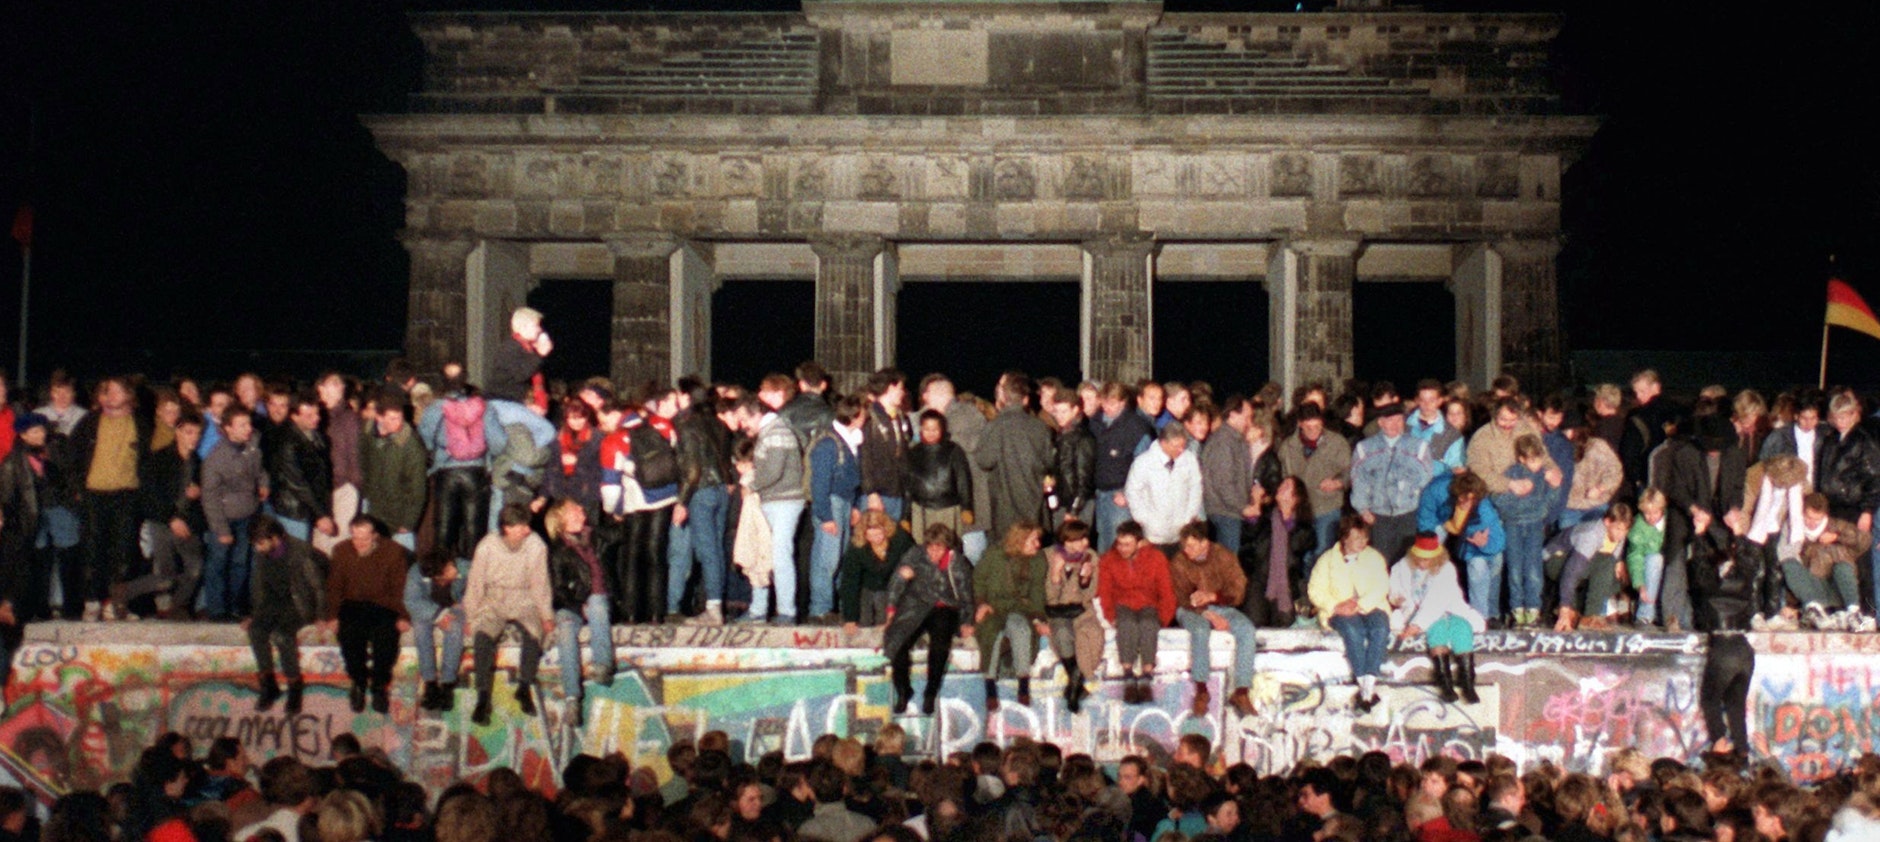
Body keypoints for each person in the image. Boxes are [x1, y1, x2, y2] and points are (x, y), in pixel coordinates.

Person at [465, 503, 554, 725]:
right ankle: (483, 696)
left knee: (534, 634)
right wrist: (470, 615)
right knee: (483, 636)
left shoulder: (535, 545)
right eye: (521, 526)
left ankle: (524, 687)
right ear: (507, 528)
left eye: (526, 525)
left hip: (523, 597)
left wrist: (546, 616)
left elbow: (540, 583)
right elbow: (475, 582)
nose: (526, 530)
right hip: (494, 598)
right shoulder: (487, 546)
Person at [72, 377, 151, 621]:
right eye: (107, 391)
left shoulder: (140, 423)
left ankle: (117, 603)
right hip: (94, 494)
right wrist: (76, 490)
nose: (112, 395)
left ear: (129, 395)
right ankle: (92, 601)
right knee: (93, 549)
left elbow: (149, 461)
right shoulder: (90, 421)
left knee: (125, 550)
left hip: (127, 494)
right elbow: (72, 457)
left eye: (117, 391)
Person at [321, 515, 410, 714]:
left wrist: (404, 615)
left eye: (364, 538)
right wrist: (332, 615)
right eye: (355, 537)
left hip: (384, 604)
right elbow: (334, 587)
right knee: (349, 637)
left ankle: (379, 686)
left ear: (375, 536)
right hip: (353, 604)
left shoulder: (393, 552)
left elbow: (401, 588)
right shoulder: (341, 550)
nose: (359, 543)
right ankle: (358, 682)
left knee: (386, 640)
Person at [882, 523, 974, 716]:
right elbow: (896, 582)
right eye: (930, 546)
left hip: (944, 607)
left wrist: (967, 620)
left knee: (940, 645)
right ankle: (903, 690)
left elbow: (966, 595)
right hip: (916, 604)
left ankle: (931, 692)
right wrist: (891, 609)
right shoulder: (915, 555)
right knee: (897, 641)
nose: (933, 551)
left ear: (947, 547)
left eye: (938, 547)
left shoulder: (958, 563)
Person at [1170, 521, 1259, 717]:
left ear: (1205, 543)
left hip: (1221, 606)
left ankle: (1242, 690)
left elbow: (1238, 588)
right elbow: (1179, 596)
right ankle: (1202, 689)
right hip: (1190, 609)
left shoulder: (1223, 556)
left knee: (1247, 630)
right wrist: (1206, 613)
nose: (1187, 550)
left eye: (1192, 546)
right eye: (1185, 545)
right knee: (1200, 630)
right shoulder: (1179, 561)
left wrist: (1213, 598)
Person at [126, 409, 205, 618]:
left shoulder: (198, 463)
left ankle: (177, 607)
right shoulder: (159, 460)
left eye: (197, 433)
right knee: (166, 577)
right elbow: (150, 496)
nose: (194, 438)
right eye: (189, 432)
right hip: (162, 522)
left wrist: (198, 496)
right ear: (177, 432)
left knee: (195, 569)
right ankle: (125, 592)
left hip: (187, 523)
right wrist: (171, 518)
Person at [1309, 515, 1392, 713]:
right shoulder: (1328, 559)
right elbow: (1315, 590)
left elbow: (1382, 585)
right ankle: (1365, 688)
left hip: (1371, 607)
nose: (1361, 543)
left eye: (1364, 538)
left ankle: (1368, 684)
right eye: (1356, 538)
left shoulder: (1374, 557)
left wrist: (1361, 604)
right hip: (1340, 609)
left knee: (1380, 627)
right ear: (1345, 538)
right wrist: (1336, 606)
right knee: (1353, 630)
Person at [1389, 534, 1484, 704]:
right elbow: (1393, 591)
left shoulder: (1446, 568)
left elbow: (1436, 600)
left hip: (1448, 608)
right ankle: (1446, 685)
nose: (1424, 563)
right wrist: (1398, 598)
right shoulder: (1401, 568)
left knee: (1462, 629)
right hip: (1418, 612)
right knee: (1437, 629)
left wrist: (1417, 625)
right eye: (1421, 559)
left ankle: (1468, 685)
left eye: (1428, 559)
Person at [420, 377, 506, 562]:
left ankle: (442, 577)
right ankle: (471, 580)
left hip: (445, 473)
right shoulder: (485, 407)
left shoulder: (435, 407)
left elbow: (425, 436)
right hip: (476, 473)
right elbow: (499, 443)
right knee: (474, 533)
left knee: (443, 531)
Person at [245, 516, 322, 716]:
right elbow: (259, 587)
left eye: (261, 543)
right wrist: (255, 614)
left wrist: (322, 615)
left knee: (282, 636)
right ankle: (268, 684)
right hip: (273, 602)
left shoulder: (301, 553)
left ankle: (294, 685)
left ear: (275, 538)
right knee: (256, 631)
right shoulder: (262, 555)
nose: (257, 548)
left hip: (298, 603)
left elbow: (318, 587)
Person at [548, 498, 614, 728]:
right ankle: (571, 697)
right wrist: (579, 604)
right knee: (565, 630)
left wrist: (616, 517)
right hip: (572, 605)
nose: (581, 510)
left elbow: (619, 536)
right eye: (574, 509)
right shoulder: (557, 551)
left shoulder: (595, 537)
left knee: (596, 603)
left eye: (580, 507)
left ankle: (603, 665)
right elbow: (557, 590)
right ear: (562, 518)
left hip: (599, 601)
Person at [670, 382, 733, 623]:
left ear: (687, 397)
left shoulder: (688, 426)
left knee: (707, 551)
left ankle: (713, 608)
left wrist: (682, 501)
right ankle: (716, 602)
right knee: (716, 549)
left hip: (701, 492)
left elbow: (693, 469)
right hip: (720, 490)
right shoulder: (719, 424)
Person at [201, 406, 268, 621]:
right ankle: (217, 609)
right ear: (228, 428)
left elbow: (260, 470)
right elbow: (210, 497)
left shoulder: (251, 446)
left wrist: (263, 483)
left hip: (247, 514)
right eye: (242, 425)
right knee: (218, 564)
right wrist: (221, 529)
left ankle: (236, 606)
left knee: (241, 563)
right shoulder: (216, 459)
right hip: (225, 516)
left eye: (249, 424)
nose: (248, 429)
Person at [971, 521, 1047, 711]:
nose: (1037, 544)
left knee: (1020, 629)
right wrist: (981, 604)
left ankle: (1023, 682)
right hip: (993, 606)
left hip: (1019, 608)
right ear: (1020, 541)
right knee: (991, 633)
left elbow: (1037, 593)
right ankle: (989, 685)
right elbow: (978, 580)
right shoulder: (993, 556)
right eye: (1033, 540)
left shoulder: (1038, 560)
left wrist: (1038, 618)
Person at [744, 389, 805, 624]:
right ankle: (759, 609)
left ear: (755, 414)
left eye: (744, 419)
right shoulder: (770, 431)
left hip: (784, 501)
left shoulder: (776, 431)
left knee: (780, 555)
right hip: (775, 500)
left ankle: (786, 611)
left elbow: (773, 470)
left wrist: (752, 483)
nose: (742, 426)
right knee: (765, 553)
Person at [1097, 521, 1175, 704]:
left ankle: (1147, 675)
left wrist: (1164, 618)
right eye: (1119, 544)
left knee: (1149, 624)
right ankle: (1128, 675)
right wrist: (1111, 616)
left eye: (1127, 545)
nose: (1122, 549)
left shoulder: (1156, 558)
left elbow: (1166, 591)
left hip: (1149, 603)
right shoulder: (1109, 560)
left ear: (1139, 543)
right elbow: (1105, 592)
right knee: (1126, 625)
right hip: (1122, 603)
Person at [1349, 402, 1434, 565]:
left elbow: (1426, 479)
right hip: (1378, 516)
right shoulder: (1364, 448)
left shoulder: (1420, 447)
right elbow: (1358, 480)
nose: (1395, 425)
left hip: (1409, 515)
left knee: (1407, 562)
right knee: (1381, 562)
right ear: (1380, 422)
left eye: (1399, 420)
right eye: (1390, 420)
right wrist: (1363, 509)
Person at [1493, 434, 1562, 628]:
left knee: (1533, 566)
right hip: (1513, 524)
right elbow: (1498, 498)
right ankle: (1517, 609)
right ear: (1521, 459)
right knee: (1515, 567)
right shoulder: (1511, 474)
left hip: (1534, 524)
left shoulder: (1543, 474)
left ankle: (1533, 608)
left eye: (1539, 459)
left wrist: (1553, 490)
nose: (1537, 464)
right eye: (1532, 460)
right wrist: (1516, 500)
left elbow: (1552, 497)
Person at [1778, 493, 1875, 631]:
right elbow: (1788, 563)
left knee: (1843, 567)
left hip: (1838, 588)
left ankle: (1853, 612)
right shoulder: (1795, 530)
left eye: (1817, 520)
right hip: (1812, 589)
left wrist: (1837, 537)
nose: (1811, 523)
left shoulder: (1836, 526)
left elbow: (1864, 540)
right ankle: (1814, 611)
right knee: (1789, 563)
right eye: (1808, 518)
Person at [1420, 472, 1506, 624]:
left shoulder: (1483, 508)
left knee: (1482, 565)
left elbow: (1499, 541)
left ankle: (1483, 617)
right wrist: (1427, 543)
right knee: (1427, 555)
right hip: (1442, 522)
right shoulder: (1438, 491)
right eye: (1464, 498)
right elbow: (1426, 515)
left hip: (1471, 540)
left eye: (1472, 500)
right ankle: (1425, 604)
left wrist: (1483, 544)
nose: (1467, 503)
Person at [809, 397, 866, 624]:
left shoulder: (847, 441)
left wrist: (852, 505)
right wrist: (825, 515)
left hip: (841, 502)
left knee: (838, 557)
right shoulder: (829, 443)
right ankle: (820, 609)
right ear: (853, 416)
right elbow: (820, 482)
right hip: (831, 503)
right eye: (862, 414)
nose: (865, 419)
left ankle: (830, 607)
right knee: (827, 559)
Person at [977, 374, 1053, 539]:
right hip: (1034, 503)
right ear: (1025, 399)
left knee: (1008, 555)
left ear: (1003, 398)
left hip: (1005, 508)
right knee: (1033, 551)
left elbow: (984, 461)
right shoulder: (1040, 427)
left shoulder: (995, 426)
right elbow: (1049, 462)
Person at [1279, 402, 1352, 564]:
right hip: (1299, 510)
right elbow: (1283, 477)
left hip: (1327, 506)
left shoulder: (1337, 443)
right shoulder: (1287, 448)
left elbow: (1351, 471)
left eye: (1317, 427)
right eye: (1309, 427)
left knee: (1323, 552)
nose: (1314, 432)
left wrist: (1338, 483)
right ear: (1299, 424)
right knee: (1299, 554)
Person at [1241, 475, 1315, 627]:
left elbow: (1297, 546)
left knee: (1284, 628)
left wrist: (1288, 520)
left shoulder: (1304, 527)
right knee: (1255, 626)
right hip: (1259, 582)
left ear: (1296, 497)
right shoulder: (1265, 517)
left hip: (1287, 586)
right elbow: (1248, 542)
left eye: (1287, 486)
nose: (1281, 486)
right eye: (1282, 484)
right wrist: (1255, 506)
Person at [358, 388, 427, 552]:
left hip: (399, 517)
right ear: (379, 417)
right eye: (393, 418)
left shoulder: (411, 446)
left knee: (403, 563)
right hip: (374, 511)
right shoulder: (367, 432)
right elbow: (364, 465)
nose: (399, 423)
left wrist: (409, 521)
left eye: (400, 418)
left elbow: (418, 488)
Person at [1042, 518, 1100, 712]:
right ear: (1066, 541)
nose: (1085, 544)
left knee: (1092, 633)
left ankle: (1074, 683)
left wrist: (1085, 578)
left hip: (1081, 609)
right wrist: (1056, 575)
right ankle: (1076, 681)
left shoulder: (1091, 556)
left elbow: (1089, 595)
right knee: (1061, 634)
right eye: (1079, 540)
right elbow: (1050, 598)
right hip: (1057, 610)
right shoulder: (1048, 556)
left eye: (1086, 539)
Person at [1550, 503, 1636, 630]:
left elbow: (1611, 560)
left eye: (1625, 530)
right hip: (1555, 559)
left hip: (1583, 562)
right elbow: (1571, 573)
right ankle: (1572, 610)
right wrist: (1565, 608)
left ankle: (1589, 615)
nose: (1621, 535)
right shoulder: (1591, 536)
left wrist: (1618, 561)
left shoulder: (1619, 536)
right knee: (1603, 564)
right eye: (1618, 529)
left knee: (1617, 578)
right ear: (1607, 522)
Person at [266, 393, 336, 545]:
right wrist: (321, 514)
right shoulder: (287, 442)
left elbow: (322, 477)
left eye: (317, 413)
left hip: (309, 506)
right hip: (293, 509)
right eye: (309, 415)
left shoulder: (317, 437)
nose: (316, 418)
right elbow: (297, 482)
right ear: (295, 416)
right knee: (296, 555)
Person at [1091, 382, 1153, 552]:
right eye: (1104, 402)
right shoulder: (1095, 422)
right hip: (1100, 494)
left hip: (1121, 497)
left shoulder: (1137, 428)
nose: (1106, 407)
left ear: (1123, 402)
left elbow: (1145, 468)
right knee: (1103, 545)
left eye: (1112, 403)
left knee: (1120, 546)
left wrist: (1128, 493)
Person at [404, 548, 467, 714]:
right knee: (419, 628)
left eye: (451, 567)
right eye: (447, 571)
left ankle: (448, 682)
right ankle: (430, 682)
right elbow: (411, 601)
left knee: (455, 629)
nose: (453, 570)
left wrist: (465, 605)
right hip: (427, 609)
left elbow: (480, 589)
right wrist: (438, 615)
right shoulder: (417, 572)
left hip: (455, 607)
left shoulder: (465, 568)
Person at [1125, 422, 1204, 550]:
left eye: (1183, 445)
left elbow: (1196, 487)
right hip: (1153, 533)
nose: (1180, 450)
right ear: (1163, 443)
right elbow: (1133, 492)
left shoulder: (1189, 459)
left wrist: (1189, 516)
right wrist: (1144, 519)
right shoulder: (1143, 462)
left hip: (1181, 531)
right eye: (1176, 446)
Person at [1200, 396, 1259, 552]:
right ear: (1233, 414)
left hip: (1230, 510)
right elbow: (1223, 482)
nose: (1250, 422)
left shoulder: (1234, 440)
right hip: (1225, 512)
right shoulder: (1224, 442)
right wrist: (1242, 507)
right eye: (1247, 417)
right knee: (1228, 562)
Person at [314, 373, 362, 557]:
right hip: (323, 489)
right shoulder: (319, 417)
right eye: (326, 385)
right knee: (320, 544)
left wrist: (355, 486)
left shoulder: (349, 419)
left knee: (339, 543)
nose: (324, 390)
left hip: (343, 487)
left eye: (336, 384)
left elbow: (355, 456)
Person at [905, 410, 974, 539]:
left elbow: (963, 480)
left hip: (947, 508)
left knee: (948, 545)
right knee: (924, 548)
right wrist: (906, 515)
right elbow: (908, 486)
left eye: (935, 429)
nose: (931, 433)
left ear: (942, 429)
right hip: (921, 509)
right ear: (921, 429)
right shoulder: (913, 452)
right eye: (927, 429)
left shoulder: (953, 450)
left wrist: (966, 507)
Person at [839, 511, 912, 633]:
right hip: (865, 588)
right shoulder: (856, 546)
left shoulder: (900, 538)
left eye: (879, 534)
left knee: (888, 627)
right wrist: (850, 618)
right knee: (862, 625)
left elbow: (914, 559)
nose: (876, 539)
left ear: (886, 529)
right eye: (870, 536)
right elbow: (850, 582)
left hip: (892, 586)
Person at [858, 369, 911, 522]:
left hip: (897, 493)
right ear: (890, 387)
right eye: (901, 388)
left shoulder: (900, 418)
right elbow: (864, 457)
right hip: (877, 494)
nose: (903, 393)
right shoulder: (869, 417)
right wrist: (871, 493)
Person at [1044, 392, 1096, 530]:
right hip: (1061, 502)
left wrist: (1074, 510)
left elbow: (1084, 479)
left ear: (1075, 410)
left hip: (1076, 505)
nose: (1059, 415)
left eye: (1064, 411)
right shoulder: (1061, 436)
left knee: (1074, 546)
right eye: (1056, 411)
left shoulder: (1082, 439)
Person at [1626, 489, 1671, 627]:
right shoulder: (1638, 527)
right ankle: (1645, 614)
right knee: (1655, 559)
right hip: (1649, 567)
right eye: (1647, 513)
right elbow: (1635, 556)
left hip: (1670, 563)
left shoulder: (1672, 520)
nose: (1651, 517)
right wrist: (1640, 584)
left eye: (1655, 513)